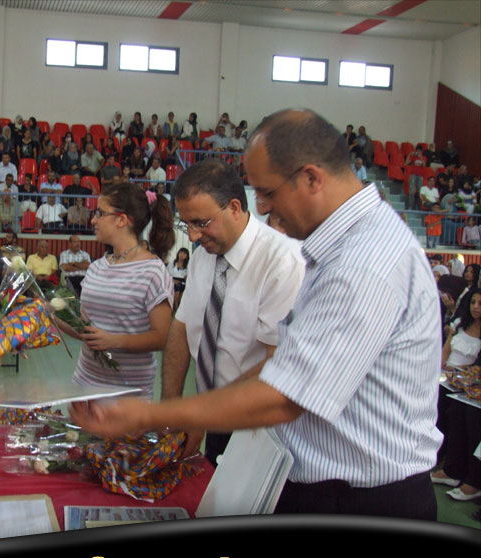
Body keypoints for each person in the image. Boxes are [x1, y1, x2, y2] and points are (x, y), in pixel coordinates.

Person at [72, 109, 444, 521]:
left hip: (360, 498)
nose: (263, 209)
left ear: (311, 178)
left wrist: (151, 414)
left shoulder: (364, 262)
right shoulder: (341, 249)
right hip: (306, 476)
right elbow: (268, 358)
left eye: (267, 193)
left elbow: (286, 394)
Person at [158, 159, 304, 461]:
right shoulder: (203, 257)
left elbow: (278, 363)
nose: (193, 236)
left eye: (200, 223)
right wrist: (170, 408)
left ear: (235, 208)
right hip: (215, 417)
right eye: (186, 224)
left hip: (260, 428)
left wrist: (205, 413)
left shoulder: (282, 262)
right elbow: (181, 330)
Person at [60, 183, 176, 398]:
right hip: (84, 387)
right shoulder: (96, 267)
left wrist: (114, 341)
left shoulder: (153, 272)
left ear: (121, 220)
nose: (93, 220)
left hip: (128, 396)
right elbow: (86, 330)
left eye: (100, 213)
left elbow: (162, 337)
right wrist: (48, 313)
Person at [431, 291, 481, 502]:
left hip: (467, 383)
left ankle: (472, 480)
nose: (476, 306)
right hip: (454, 379)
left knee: (470, 417)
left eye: (480, 303)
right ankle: (452, 468)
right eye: (473, 302)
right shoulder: (460, 324)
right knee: (453, 410)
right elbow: (446, 351)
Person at [168, 247, 190, 312]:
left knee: (183, 289)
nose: (181, 254)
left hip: (182, 281)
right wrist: (173, 281)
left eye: (184, 253)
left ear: (187, 256)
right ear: (178, 253)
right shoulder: (172, 263)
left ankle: (179, 307)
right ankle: (176, 307)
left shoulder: (187, 266)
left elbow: (187, 277)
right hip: (172, 280)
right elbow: (166, 274)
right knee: (177, 288)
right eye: (180, 252)